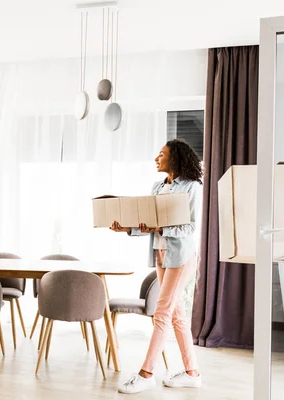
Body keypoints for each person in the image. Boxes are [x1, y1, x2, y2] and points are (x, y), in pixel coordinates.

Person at [111, 139, 203, 394]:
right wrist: (127, 228)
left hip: (181, 256)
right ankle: (192, 372)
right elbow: (148, 225)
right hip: (161, 254)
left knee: (162, 312)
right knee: (176, 314)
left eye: (161, 154)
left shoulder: (192, 187)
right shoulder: (158, 186)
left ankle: (146, 373)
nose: (156, 158)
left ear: (175, 158)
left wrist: (161, 228)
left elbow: (191, 227)